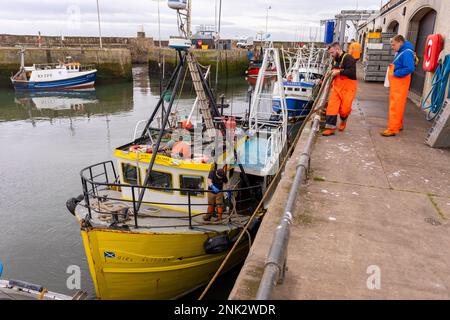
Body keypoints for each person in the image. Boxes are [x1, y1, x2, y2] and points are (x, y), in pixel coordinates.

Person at [381, 35, 416, 137]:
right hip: (398, 83)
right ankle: (398, 124)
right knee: (398, 105)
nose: (392, 47)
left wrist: (395, 74)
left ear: (400, 42)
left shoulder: (406, 52)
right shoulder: (402, 51)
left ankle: (392, 129)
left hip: (400, 82)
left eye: (393, 44)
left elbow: (410, 68)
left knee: (395, 106)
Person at [323, 42, 358, 137]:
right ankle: (330, 128)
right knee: (332, 107)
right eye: (330, 53)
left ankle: (343, 120)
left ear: (338, 49)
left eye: (332, 52)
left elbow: (351, 72)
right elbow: (332, 70)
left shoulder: (348, 58)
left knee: (344, 109)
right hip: (337, 87)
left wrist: (338, 72)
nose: (331, 55)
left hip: (348, 88)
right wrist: (324, 80)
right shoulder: (335, 59)